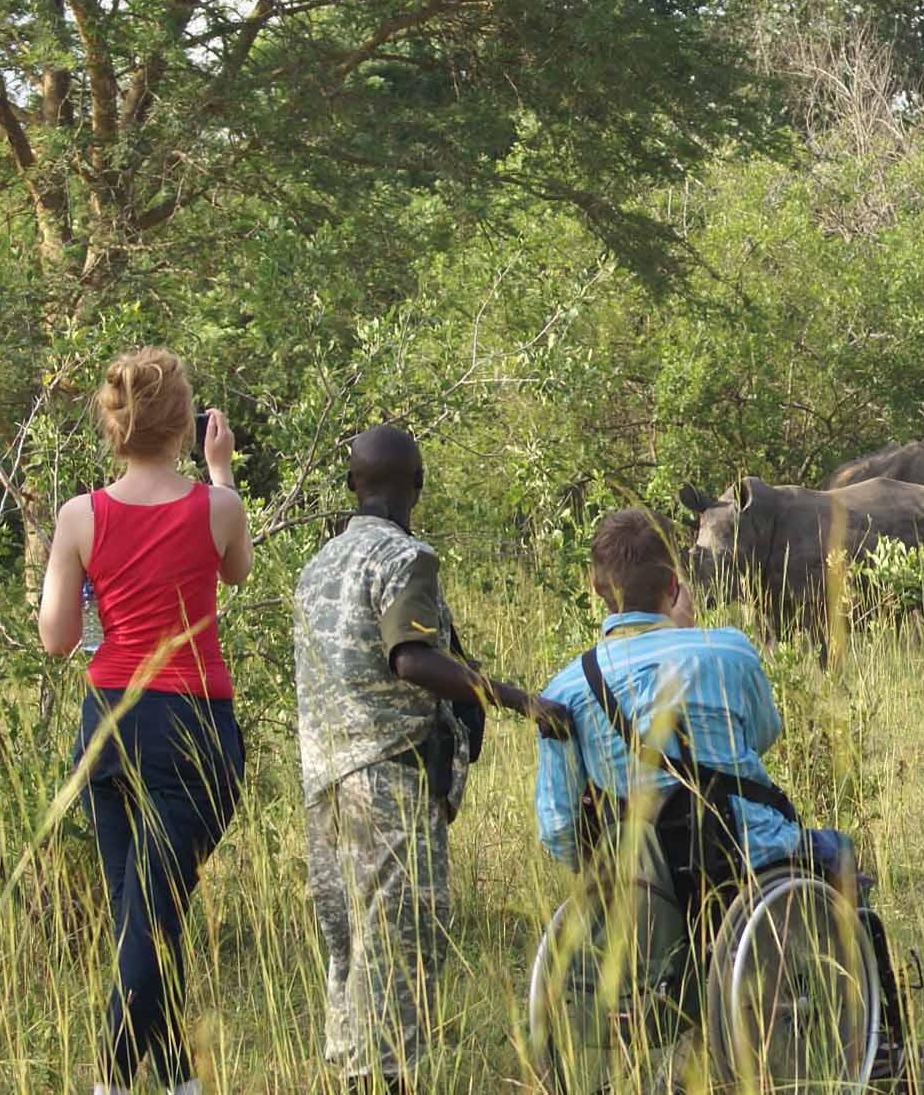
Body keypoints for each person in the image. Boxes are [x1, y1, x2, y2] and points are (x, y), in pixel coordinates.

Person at [293, 423, 569, 1095]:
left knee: (348, 948)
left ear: (351, 485)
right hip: (389, 780)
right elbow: (411, 659)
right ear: (417, 486)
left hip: (325, 783)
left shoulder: (316, 567)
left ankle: (354, 1073)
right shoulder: (407, 558)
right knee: (396, 948)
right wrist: (516, 699)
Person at [38, 347, 251, 1095]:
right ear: (185, 424)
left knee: (146, 911)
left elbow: (57, 637)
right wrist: (219, 469)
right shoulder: (216, 507)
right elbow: (236, 569)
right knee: (151, 915)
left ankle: (165, 1081)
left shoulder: (77, 516)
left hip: (107, 728)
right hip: (193, 728)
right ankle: (116, 1080)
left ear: (113, 423)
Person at [533, 505, 855, 915]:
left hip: (642, 887)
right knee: (839, 850)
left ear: (595, 587)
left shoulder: (565, 689)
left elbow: (559, 825)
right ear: (674, 584)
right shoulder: (730, 650)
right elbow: (762, 736)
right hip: (754, 861)